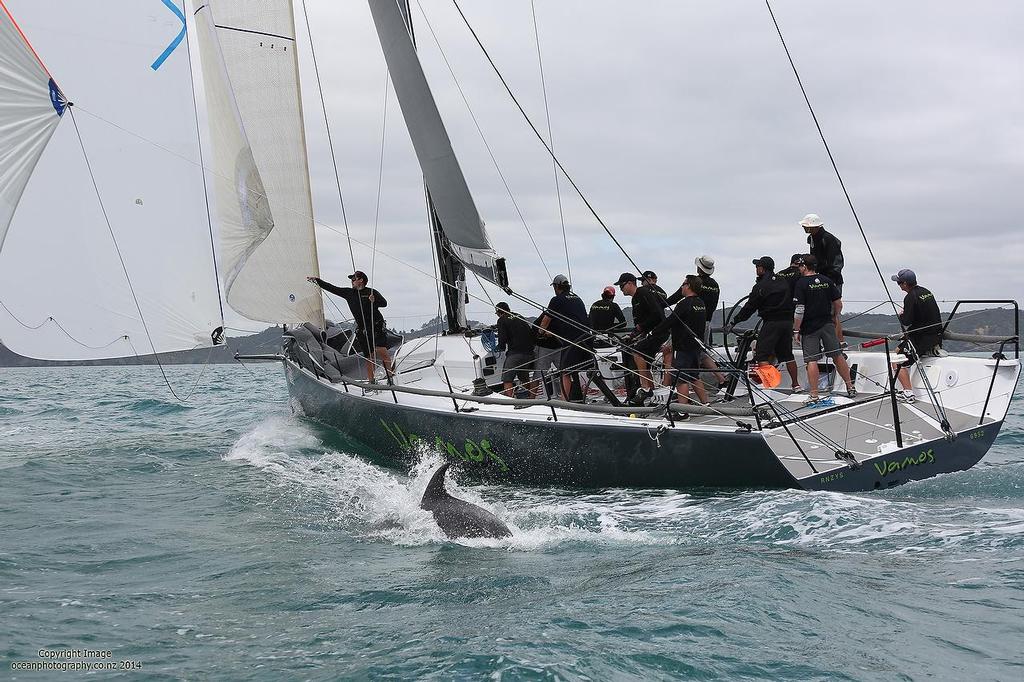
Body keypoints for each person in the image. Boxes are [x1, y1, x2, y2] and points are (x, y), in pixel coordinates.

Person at [792, 255, 856, 402]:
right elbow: (838, 303)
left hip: (809, 327)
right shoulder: (827, 281)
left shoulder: (801, 283)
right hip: (827, 324)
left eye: (801, 266)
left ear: (804, 266)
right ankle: (850, 387)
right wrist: (835, 317)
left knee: (811, 360)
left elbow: (799, 309)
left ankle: (814, 394)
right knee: (837, 355)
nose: (800, 269)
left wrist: (796, 330)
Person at [308, 270, 393, 381]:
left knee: (383, 352)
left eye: (353, 279)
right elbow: (332, 288)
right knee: (369, 357)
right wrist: (317, 281)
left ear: (361, 280)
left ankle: (391, 377)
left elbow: (384, 303)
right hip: (363, 330)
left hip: (376, 327)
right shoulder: (349, 293)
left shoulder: (371, 292)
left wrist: (374, 300)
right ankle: (372, 381)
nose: (352, 282)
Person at [728, 256, 798, 388]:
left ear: (762, 269)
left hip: (771, 322)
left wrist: (734, 322)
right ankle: (796, 385)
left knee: (762, 355)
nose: (756, 269)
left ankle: (770, 387)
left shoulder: (760, 286)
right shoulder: (783, 281)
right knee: (788, 355)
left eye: (757, 267)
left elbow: (749, 308)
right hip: (788, 322)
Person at [649, 275, 708, 415]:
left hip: (682, 346)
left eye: (683, 284)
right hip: (695, 345)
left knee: (680, 378)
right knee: (694, 375)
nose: (681, 287)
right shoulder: (701, 303)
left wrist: (653, 332)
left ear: (688, 286)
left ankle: (683, 412)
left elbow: (670, 321)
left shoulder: (684, 304)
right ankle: (706, 405)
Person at [537, 274, 593, 401]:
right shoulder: (577, 298)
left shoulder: (556, 300)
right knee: (590, 368)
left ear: (557, 287)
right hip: (586, 338)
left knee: (565, 371)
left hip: (572, 340)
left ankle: (564, 401)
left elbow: (546, 320)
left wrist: (540, 333)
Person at [889, 269, 942, 403]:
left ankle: (908, 393)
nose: (899, 285)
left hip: (921, 338)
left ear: (905, 283)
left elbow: (907, 321)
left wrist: (901, 315)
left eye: (899, 282)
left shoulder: (910, 297)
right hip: (935, 335)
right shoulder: (926, 292)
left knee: (896, 361)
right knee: (896, 351)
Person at [614, 272, 667, 406]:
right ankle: (653, 395)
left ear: (630, 283)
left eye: (622, 286)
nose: (621, 289)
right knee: (646, 363)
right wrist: (633, 334)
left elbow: (656, 314)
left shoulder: (643, 293)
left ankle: (645, 388)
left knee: (637, 353)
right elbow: (641, 322)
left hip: (658, 332)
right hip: (649, 332)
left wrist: (641, 328)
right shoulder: (635, 299)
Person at [800, 213, 845, 342]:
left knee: (832, 313)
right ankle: (833, 342)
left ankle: (838, 343)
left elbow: (837, 263)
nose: (804, 228)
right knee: (823, 311)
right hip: (820, 278)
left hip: (831, 280)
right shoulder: (813, 238)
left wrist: (828, 280)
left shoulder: (828, 239)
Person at [771, 253, 806, 392]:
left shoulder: (779, 274)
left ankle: (768, 384)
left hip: (775, 315)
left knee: (769, 351)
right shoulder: (801, 275)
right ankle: (795, 384)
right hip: (793, 313)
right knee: (788, 352)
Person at [495, 302, 537, 398]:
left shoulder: (502, 320)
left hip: (515, 354)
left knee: (507, 379)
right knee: (524, 377)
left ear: (499, 312)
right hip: (529, 353)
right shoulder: (519, 316)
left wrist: (500, 347)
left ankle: (510, 401)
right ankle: (531, 399)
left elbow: (502, 338)